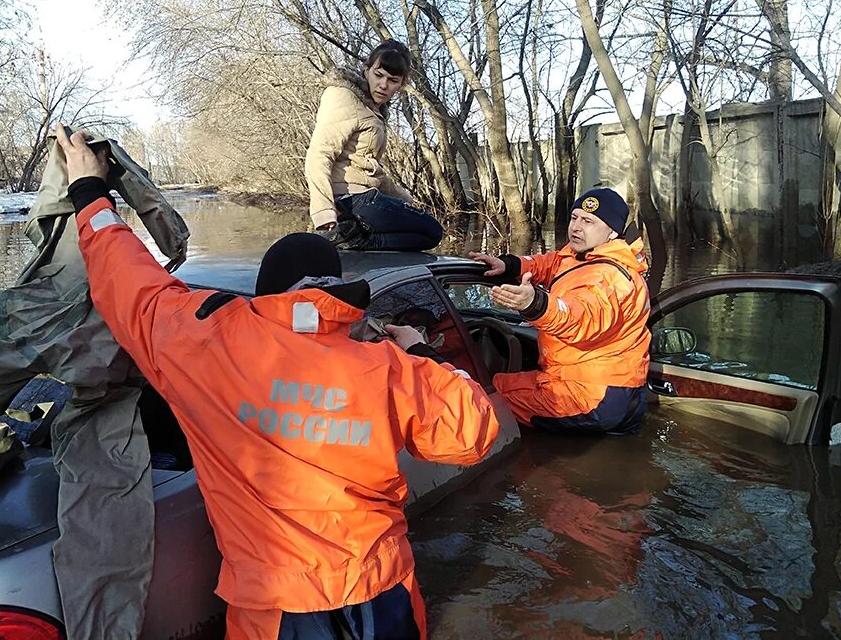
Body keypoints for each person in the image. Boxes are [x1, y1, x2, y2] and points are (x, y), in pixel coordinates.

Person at [55, 124, 499, 639]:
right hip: (381, 593)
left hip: (276, 607)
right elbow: (473, 433)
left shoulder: (206, 343)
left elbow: (129, 283)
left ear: (265, 293)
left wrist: (90, 194)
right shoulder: (388, 369)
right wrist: (420, 351)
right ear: (338, 294)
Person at [470, 187, 651, 435]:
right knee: (500, 385)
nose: (576, 227)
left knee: (486, 395)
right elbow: (552, 263)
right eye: (575, 217)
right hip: (609, 389)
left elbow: (581, 318)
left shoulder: (608, 278)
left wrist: (535, 304)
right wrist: (510, 265)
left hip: (593, 395)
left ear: (612, 232)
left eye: (588, 221)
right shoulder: (582, 256)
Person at [306, 39, 443, 251]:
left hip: (365, 198)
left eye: (393, 80)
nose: (383, 85)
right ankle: (357, 241)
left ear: (402, 83)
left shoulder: (373, 109)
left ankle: (357, 239)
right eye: (378, 75)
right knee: (431, 231)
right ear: (366, 69)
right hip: (351, 200)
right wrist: (323, 211)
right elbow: (319, 154)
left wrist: (405, 200)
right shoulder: (343, 96)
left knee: (426, 230)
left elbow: (370, 170)